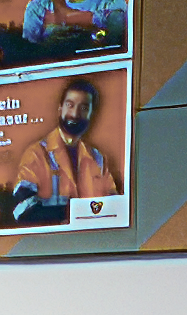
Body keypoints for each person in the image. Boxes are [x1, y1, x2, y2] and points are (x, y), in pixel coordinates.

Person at [10, 78, 121, 227]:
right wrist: (75, 214)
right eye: (70, 105)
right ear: (60, 109)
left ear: (91, 114)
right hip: (52, 247)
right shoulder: (36, 154)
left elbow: (114, 208)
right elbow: (23, 211)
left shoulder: (98, 159)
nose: (75, 114)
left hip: (92, 244)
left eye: (83, 108)